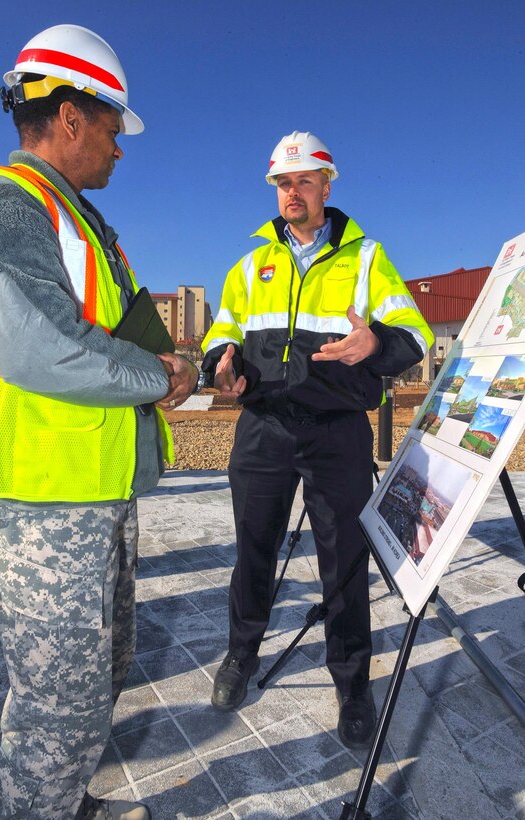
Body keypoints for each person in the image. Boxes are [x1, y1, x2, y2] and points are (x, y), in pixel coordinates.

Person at [0, 24, 199, 820]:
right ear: (73, 118)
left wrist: (190, 366)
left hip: (99, 495)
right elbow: (36, 345)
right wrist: (159, 379)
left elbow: (126, 331)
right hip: (44, 505)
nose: (121, 149)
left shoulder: (84, 226)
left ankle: (64, 802)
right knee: (54, 710)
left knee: (92, 686)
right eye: (115, 130)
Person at [201, 131, 434, 749]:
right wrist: (219, 358)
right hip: (263, 429)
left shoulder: (365, 258)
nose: (292, 193)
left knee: (344, 561)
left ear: (327, 186)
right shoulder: (250, 266)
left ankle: (352, 682)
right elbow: (222, 328)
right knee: (253, 548)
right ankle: (241, 654)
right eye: (283, 183)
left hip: (336, 433)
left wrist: (375, 343)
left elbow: (412, 330)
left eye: (304, 181)